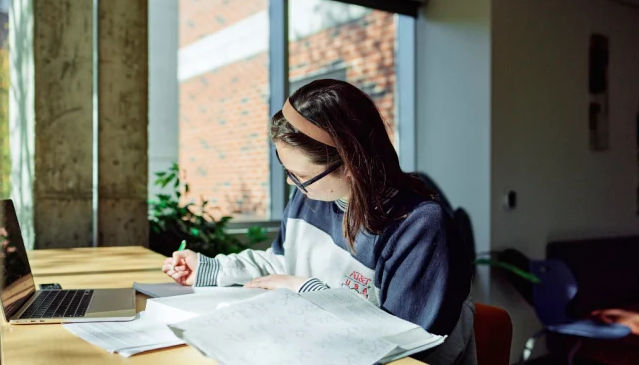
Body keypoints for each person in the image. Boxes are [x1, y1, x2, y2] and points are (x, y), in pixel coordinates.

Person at [163, 79, 475, 364]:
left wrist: (307, 291)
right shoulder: (309, 197)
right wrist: (209, 269)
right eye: (287, 172)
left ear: (351, 165)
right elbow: (280, 265)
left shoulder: (417, 226)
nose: (292, 185)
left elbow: (402, 343)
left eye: (300, 176)